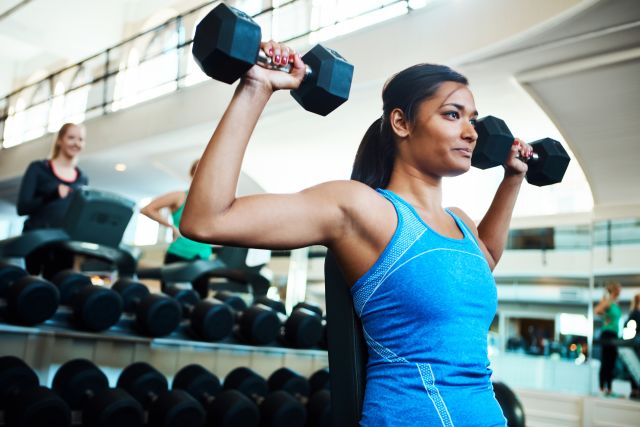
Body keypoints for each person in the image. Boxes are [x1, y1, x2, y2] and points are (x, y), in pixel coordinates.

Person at [180, 41, 533, 426]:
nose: (471, 133)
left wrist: (512, 180)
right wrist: (257, 86)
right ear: (402, 123)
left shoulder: (462, 223)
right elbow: (207, 219)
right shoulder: (364, 209)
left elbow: (482, 264)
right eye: (453, 115)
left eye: (473, 120)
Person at [16, 122, 89, 277]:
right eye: (71, 138)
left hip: (64, 246)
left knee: (58, 293)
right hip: (35, 242)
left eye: (81, 139)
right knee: (29, 290)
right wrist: (52, 194)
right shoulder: (38, 168)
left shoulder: (82, 178)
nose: (76, 143)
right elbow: (22, 208)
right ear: (59, 140)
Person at [140, 160, 212, 266]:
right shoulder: (179, 196)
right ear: (192, 174)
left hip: (204, 256)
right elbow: (146, 209)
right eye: (198, 170)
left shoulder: (213, 201)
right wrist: (171, 226)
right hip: (179, 253)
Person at [595, 281, 622, 396]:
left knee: (612, 362)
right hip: (607, 334)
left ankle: (609, 389)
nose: (620, 291)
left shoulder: (616, 303)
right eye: (619, 289)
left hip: (615, 334)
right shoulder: (608, 301)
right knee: (605, 361)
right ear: (615, 290)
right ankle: (601, 388)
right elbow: (597, 310)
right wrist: (605, 317)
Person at [625, 292, 640, 398]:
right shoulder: (635, 312)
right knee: (635, 365)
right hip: (636, 342)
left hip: (636, 341)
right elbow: (627, 324)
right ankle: (635, 390)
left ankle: (636, 390)